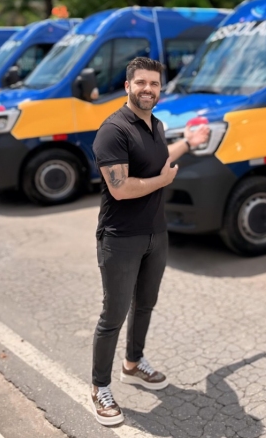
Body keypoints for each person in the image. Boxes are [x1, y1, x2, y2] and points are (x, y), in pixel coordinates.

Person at [90, 56, 210, 426]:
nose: (148, 89)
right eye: (140, 83)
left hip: (155, 233)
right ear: (127, 86)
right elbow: (121, 187)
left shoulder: (155, 124)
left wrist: (187, 143)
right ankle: (99, 387)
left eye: (154, 84)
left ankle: (133, 362)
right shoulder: (113, 130)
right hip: (121, 237)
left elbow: (158, 160)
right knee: (114, 314)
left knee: (145, 304)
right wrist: (163, 182)